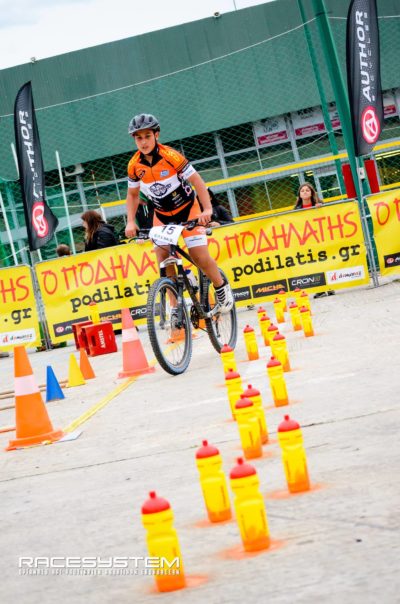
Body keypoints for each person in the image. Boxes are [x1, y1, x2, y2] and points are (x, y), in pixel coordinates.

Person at [124, 113, 234, 313]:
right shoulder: (134, 165)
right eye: (138, 138)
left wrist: (207, 210)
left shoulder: (171, 156)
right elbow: (132, 195)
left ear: (156, 135)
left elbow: (197, 182)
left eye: (147, 136)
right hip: (162, 214)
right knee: (163, 258)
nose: (143, 142)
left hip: (188, 209)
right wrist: (131, 222)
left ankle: (222, 290)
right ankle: (177, 309)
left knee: (199, 256)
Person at [294, 182, 335, 298]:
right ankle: (320, 288)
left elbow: (328, 217)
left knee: (325, 262)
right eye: (302, 191)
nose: (305, 192)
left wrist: (320, 209)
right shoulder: (296, 210)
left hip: (321, 239)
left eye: (307, 190)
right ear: (299, 195)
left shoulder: (319, 204)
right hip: (307, 241)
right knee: (314, 264)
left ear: (312, 192)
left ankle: (330, 286)